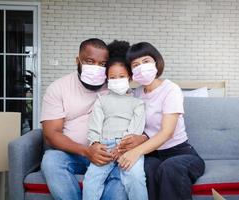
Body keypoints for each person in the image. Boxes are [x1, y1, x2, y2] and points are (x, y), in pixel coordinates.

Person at [40, 38, 147, 200]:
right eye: (90, 62)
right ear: (78, 60)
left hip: (112, 155)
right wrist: (86, 151)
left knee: (121, 186)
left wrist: (141, 138)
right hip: (75, 154)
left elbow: (143, 119)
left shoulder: (116, 81)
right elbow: (51, 134)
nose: (96, 68)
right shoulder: (59, 87)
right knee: (50, 160)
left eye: (102, 64)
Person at [117, 42, 205, 200]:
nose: (141, 67)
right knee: (146, 170)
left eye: (145, 61)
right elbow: (138, 127)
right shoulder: (136, 94)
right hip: (152, 154)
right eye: (135, 64)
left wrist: (135, 151)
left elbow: (167, 132)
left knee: (169, 168)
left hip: (180, 152)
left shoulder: (170, 89)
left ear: (156, 62)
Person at [82, 40, 148, 200]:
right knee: (91, 181)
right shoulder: (101, 100)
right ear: (106, 79)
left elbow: (136, 128)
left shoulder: (138, 102)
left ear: (130, 77)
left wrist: (121, 147)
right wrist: (95, 143)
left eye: (121, 76)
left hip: (128, 148)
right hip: (104, 146)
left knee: (136, 178)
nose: (117, 79)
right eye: (112, 77)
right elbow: (95, 125)